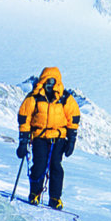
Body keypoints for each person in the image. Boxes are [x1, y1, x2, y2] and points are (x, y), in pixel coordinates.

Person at [17, 67, 81, 209]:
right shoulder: (34, 97)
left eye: (53, 82)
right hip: (39, 137)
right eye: (48, 82)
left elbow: (73, 118)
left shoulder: (65, 98)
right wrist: (23, 140)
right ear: (43, 81)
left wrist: (71, 140)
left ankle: (55, 198)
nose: (50, 85)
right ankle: (35, 194)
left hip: (58, 139)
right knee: (39, 165)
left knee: (56, 167)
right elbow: (24, 118)